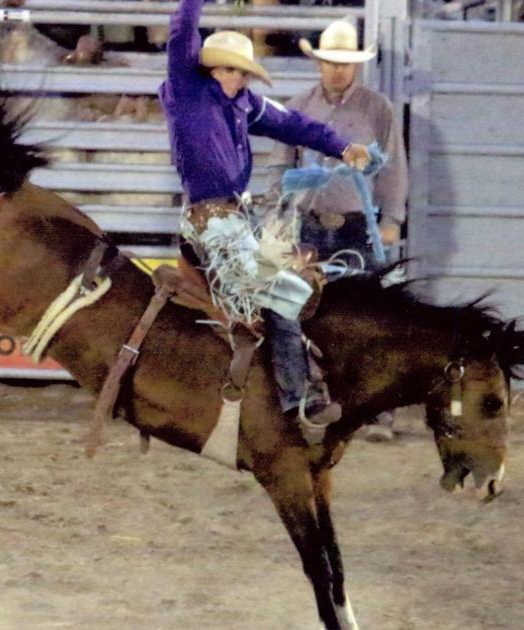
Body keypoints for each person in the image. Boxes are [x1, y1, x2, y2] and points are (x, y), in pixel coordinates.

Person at [159, 0, 372, 445]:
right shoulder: (187, 91)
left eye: (242, 72)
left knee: (304, 284)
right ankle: (298, 399)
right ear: (209, 69)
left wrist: (340, 146)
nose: (236, 78)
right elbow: (182, 32)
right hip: (212, 222)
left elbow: (293, 123)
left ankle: (289, 380)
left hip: (237, 220)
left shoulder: (246, 105)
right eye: (228, 70)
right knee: (284, 292)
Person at [270, 18, 409, 442]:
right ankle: (307, 401)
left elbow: (393, 168)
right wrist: (278, 218)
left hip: (357, 227)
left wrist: (391, 219)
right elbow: (280, 166)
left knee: (369, 316)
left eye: (345, 63)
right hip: (308, 227)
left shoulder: (378, 108)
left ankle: (376, 408)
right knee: (296, 311)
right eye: (331, 61)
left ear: (356, 66)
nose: (338, 69)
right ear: (319, 63)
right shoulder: (296, 107)